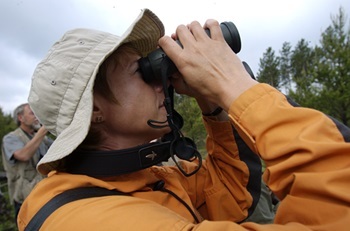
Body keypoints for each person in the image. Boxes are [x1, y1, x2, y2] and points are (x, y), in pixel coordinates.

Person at [18, 8, 350, 230]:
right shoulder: (88, 218)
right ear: (94, 109)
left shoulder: (143, 178)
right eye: (142, 71)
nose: (159, 78)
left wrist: (214, 102)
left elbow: (232, 197)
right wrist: (236, 87)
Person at [1, 103, 53, 223]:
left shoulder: (41, 138)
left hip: (44, 194)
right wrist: (43, 130)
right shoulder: (10, 138)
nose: (36, 116)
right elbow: (23, 155)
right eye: (32, 113)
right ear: (21, 118)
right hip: (24, 199)